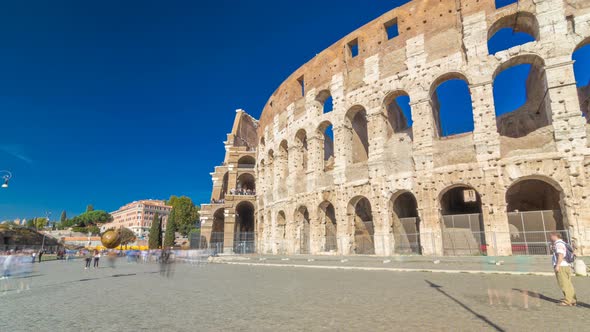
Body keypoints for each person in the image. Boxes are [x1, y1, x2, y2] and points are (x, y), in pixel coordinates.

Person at [550, 232, 577, 306]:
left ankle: (567, 301)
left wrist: (557, 265)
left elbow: (560, 255)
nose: (550, 238)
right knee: (568, 284)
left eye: (551, 236)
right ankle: (572, 299)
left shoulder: (558, 244)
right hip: (566, 265)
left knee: (563, 284)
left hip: (561, 266)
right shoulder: (564, 243)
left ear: (555, 236)